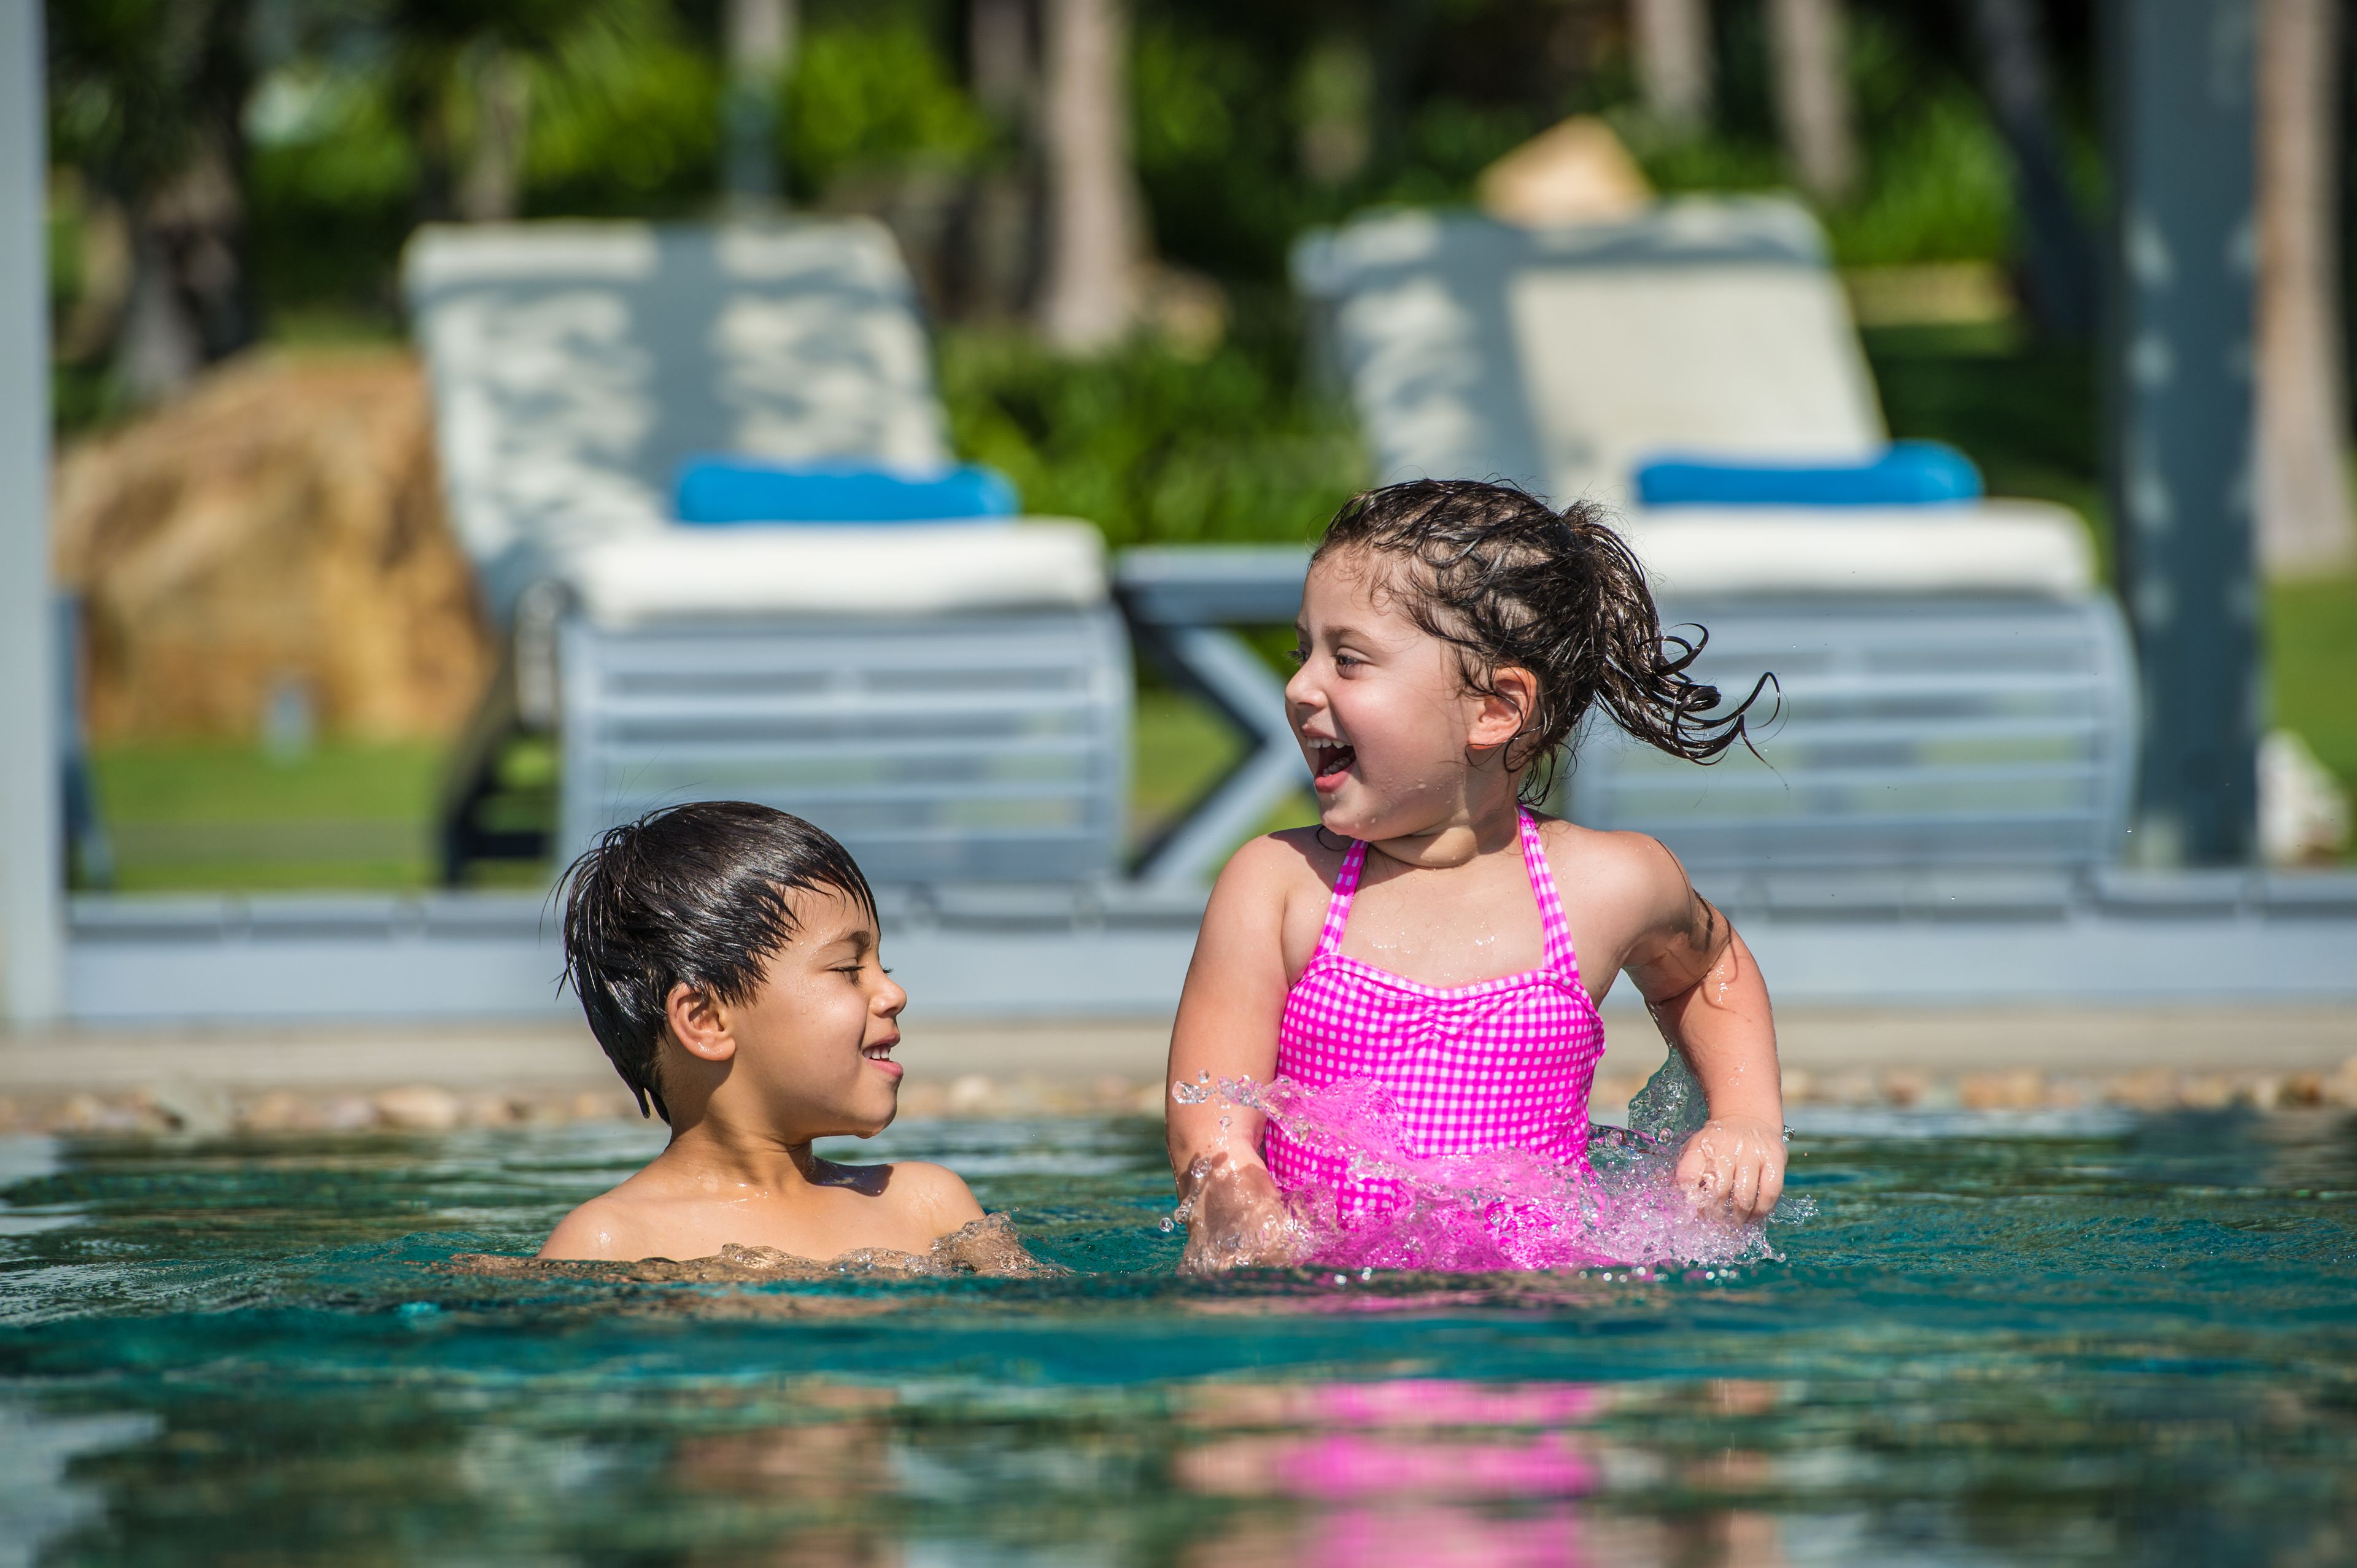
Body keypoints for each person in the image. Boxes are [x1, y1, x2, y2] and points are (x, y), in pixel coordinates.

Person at [1166, 479, 1787, 1270]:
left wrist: (1745, 1117)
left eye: (1347, 660)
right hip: (1329, 1319)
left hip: (1540, 1324)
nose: (1299, 686)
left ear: (1496, 709)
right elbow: (1207, 1114)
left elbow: (1711, 970)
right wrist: (1239, 1199)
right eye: (1304, 652)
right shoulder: (1281, 887)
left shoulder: (1604, 884)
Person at [538, 801, 1000, 1265]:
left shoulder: (931, 1207)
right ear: (707, 1021)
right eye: (848, 969)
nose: (894, 993)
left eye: (885, 966)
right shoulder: (613, 1242)